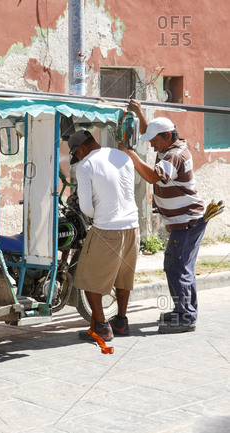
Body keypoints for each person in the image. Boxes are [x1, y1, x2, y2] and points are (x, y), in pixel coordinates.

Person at [120, 100, 206, 333]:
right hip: (186, 221)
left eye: (155, 141)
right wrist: (138, 113)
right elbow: (152, 133)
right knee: (181, 267)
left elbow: (153, 177)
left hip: (187, 222)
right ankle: (185, 311)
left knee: (176, 267)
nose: (151, 144)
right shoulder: (168, 146)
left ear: (168, 136)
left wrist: (130, 154)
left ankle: (186, 317)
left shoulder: (174, 156)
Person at [68, 130, 140, 341]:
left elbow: (86, 207)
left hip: (107, 229)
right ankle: (121, 322)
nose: (78, 158)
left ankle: (101, 326)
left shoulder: (85, 165)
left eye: (77, 154)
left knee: (87, 280)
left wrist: (95, 216)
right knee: (123, 278)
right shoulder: (122, 156)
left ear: (81, 149)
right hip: (132, 226)